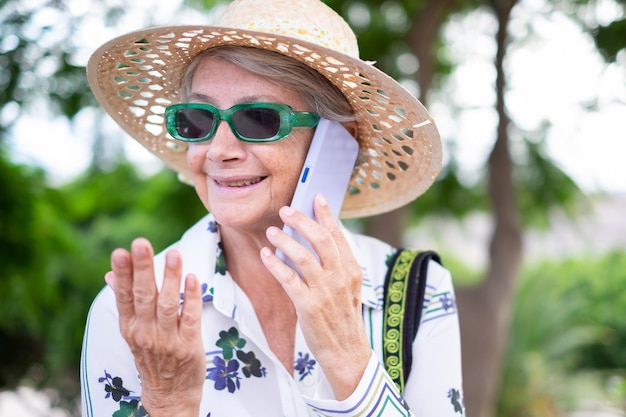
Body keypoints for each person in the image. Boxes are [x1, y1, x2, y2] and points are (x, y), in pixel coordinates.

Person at [80, 0, 465, 416]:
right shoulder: (134, 315)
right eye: (198, 117)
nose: (219, 150)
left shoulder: (415, 291)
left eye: (259, 119)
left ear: (338, 140)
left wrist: (351, 360)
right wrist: (169, 403)